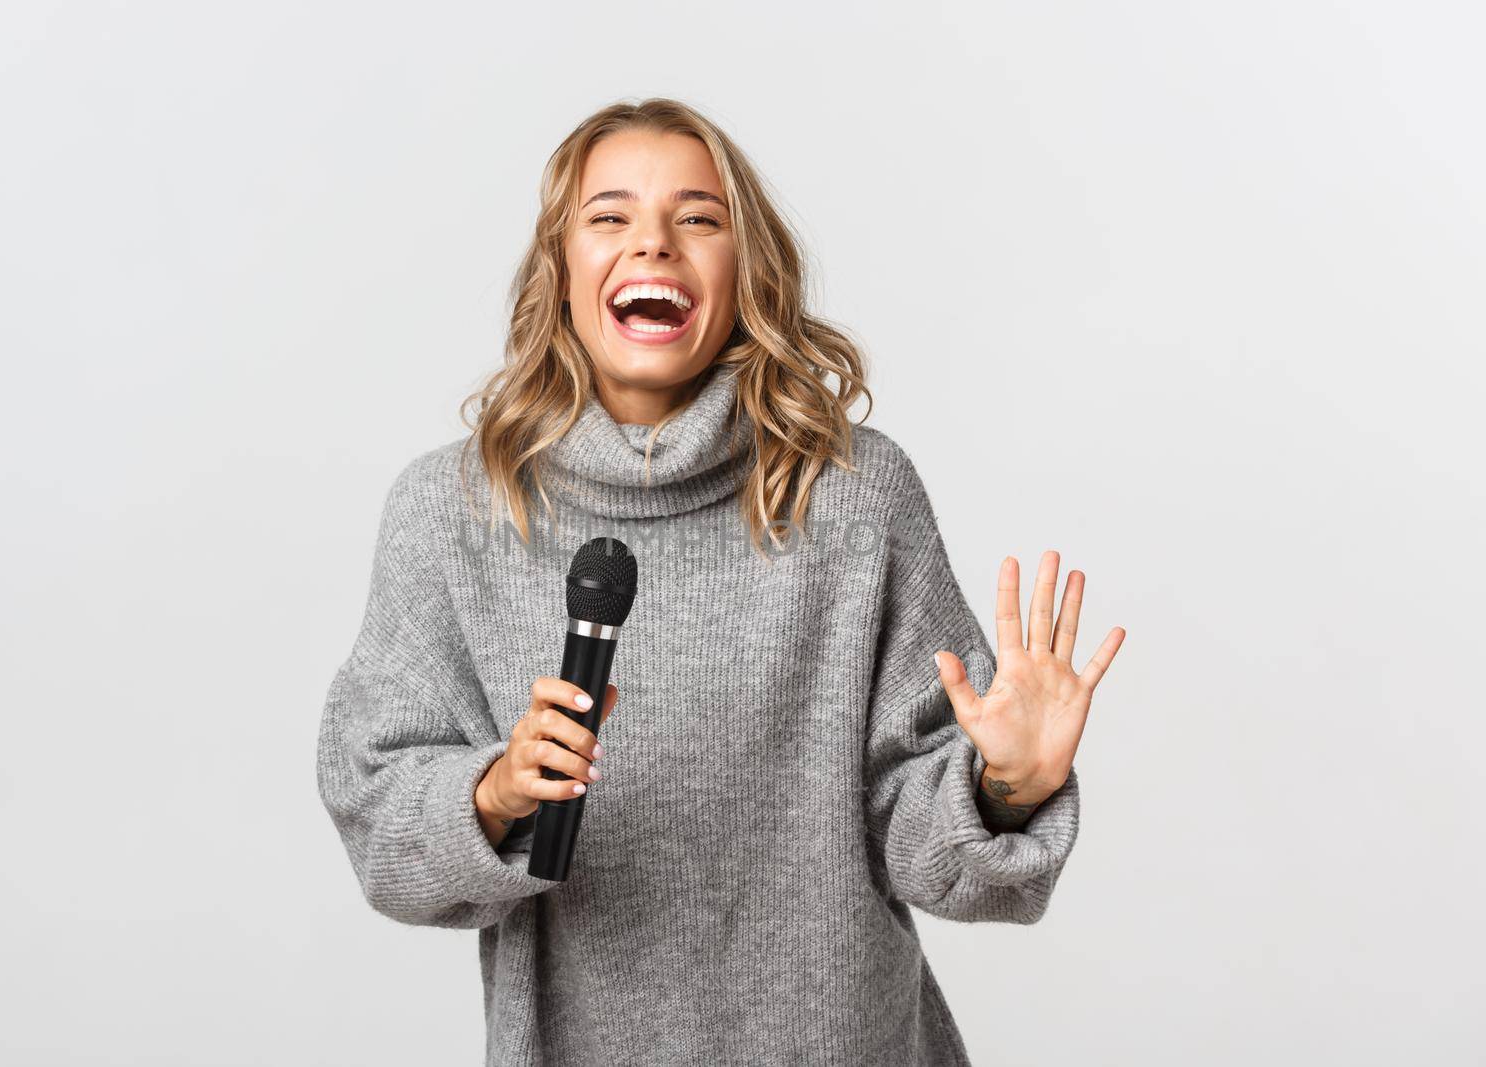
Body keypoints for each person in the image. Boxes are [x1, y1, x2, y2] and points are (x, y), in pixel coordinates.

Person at [316, 96, 1124, 1066]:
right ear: (560, 269)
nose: (652, 244)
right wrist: (492, 792)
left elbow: (930, 845)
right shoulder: (451, 510)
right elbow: (379, 814)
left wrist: (1006, 785)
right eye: (608, 217)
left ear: (746, 271)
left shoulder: (853, 496)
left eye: (697, 218)